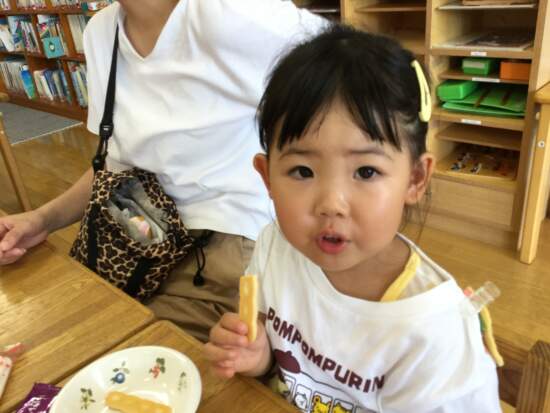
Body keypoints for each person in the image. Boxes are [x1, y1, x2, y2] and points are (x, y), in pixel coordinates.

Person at [204, 25, 502, 412]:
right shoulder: (275, 247)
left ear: (415, 179)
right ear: (267, 178)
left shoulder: (434, 337)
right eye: (302, 171)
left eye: (365, 171)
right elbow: (280, 364)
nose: (332, 204)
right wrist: (258, 355)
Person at [0, 0, 326, 342]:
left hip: (223, 252)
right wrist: (41, 220)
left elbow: (353, 83)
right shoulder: (102, 32)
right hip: (135, 241)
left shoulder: (239, 15)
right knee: (60, 335)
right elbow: (115, 166)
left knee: (117, 351)